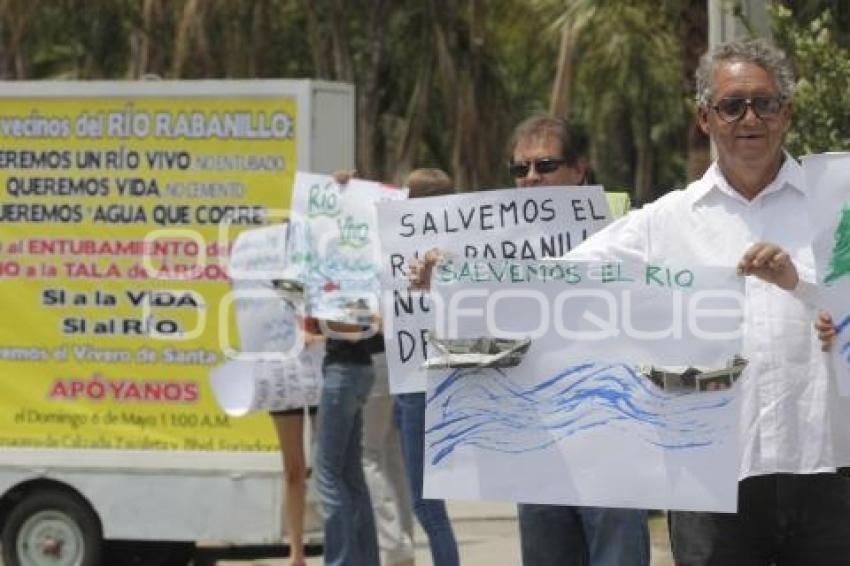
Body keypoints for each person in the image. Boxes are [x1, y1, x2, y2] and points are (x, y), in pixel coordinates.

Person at [569, 38, 850, 565]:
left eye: (766, 103)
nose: (751, 117)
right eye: (732, 105)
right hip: (709, 477)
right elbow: (559, 281)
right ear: (705, 118)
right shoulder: (666, 221)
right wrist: (453, 275)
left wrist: (801, 285)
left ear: (786, 114)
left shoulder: (838, 204)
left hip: (829, 471)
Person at [506, 115, 651, 566]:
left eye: (545, 165)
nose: (531, 178)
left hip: (612, 435)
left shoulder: (628, 228)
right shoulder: (494, 241)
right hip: (535, 438)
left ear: (579, 170)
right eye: (520, 169)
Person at [395, 168, 462, 566]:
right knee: (426, 502)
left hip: (419, 382)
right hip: (417, 376)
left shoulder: (435, 249)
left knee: (426, 503)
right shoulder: (417, 244)